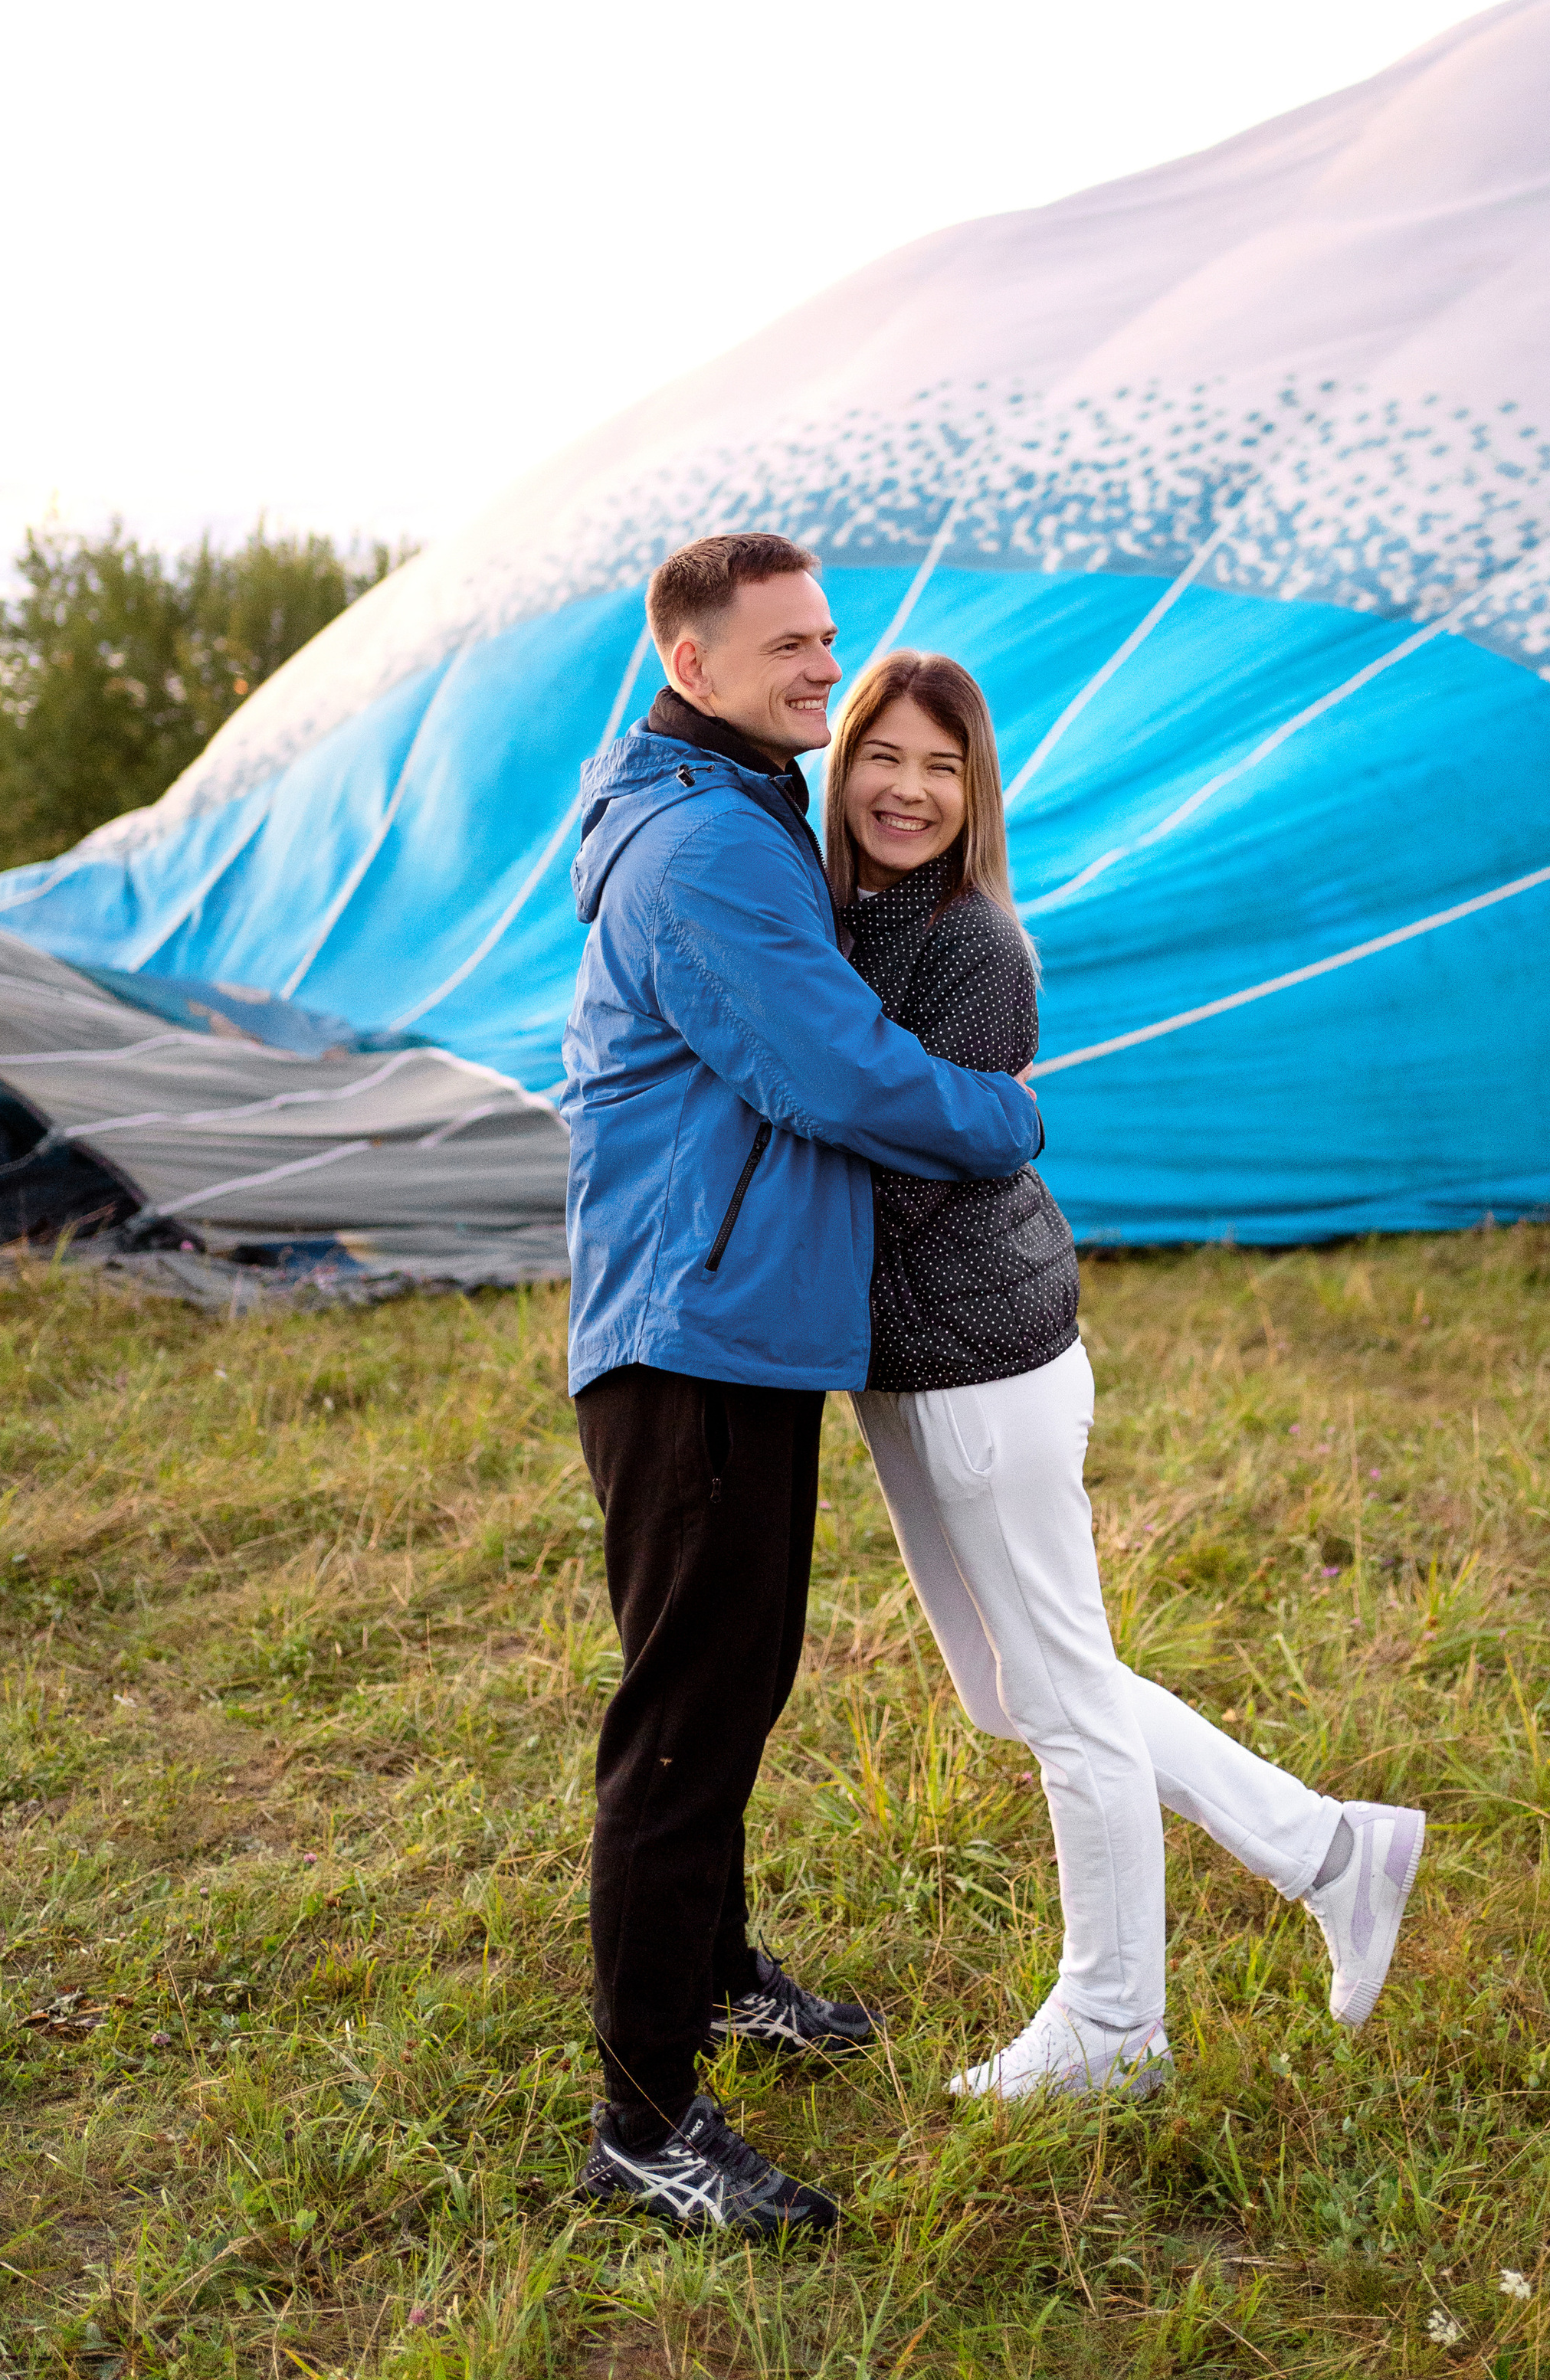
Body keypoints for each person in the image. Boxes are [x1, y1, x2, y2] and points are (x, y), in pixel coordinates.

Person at [831, 650, 1425, 2100]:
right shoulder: (839, 917)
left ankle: (1114, 2025)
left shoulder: (975, 947)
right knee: (1017, 1691)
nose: (908, 790)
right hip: (905, 1363)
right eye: (884, 757)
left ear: (976, 792)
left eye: (942, 767)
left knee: (1064, 1704)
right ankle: (1332, 1849)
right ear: (842, 765)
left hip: (982, 1363)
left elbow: (914, 1160)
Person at [560, 537, 1044, 2238]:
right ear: (689, 664)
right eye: (786, 649)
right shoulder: (705, 844)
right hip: (694, 1330)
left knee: (735, 1679)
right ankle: (643, 2126)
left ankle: (713, 1978)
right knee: (686, 1723)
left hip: (734, 1316)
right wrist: (1009, 1115)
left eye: (826, 640)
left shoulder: (741, 800)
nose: (822, 673)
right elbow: (831, 1072)